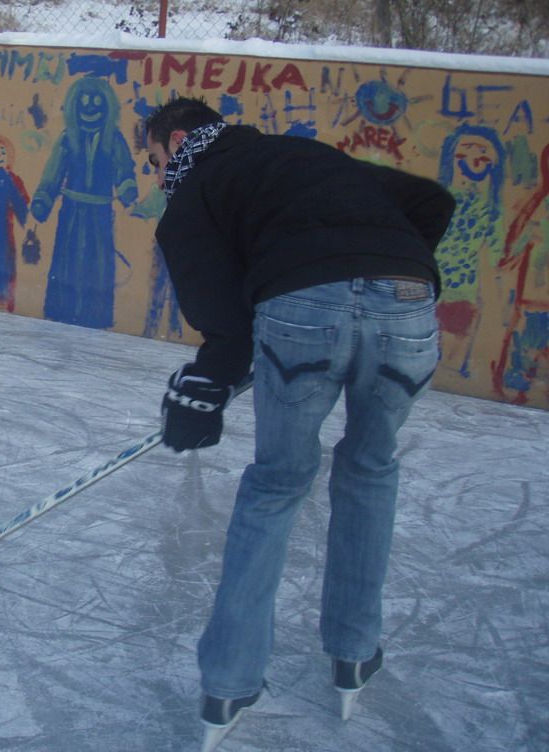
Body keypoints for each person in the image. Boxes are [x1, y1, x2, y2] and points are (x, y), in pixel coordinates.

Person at [144, 97, 455, 750]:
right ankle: (353, 653)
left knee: (278, 484)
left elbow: (224, 323)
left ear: (176, 140)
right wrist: (371, 275)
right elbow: (431, 205)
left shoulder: (194, 191)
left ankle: (228, 682)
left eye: (153, 161)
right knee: (370, 468)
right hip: (408, 303)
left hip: (302, 312)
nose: (157, 175)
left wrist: (212, 379)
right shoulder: (308, 156)